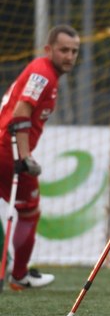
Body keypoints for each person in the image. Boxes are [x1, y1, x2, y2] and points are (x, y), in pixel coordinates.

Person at [0, 24, 80, 290]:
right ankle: (20, 275)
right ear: (49, 50)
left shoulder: (45, 73)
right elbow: (22, 110)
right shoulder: (42, 74)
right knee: (29, 211)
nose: (69, 56)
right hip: (7, 150)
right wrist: (24, 156)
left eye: (74, 51)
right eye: (63, 50)